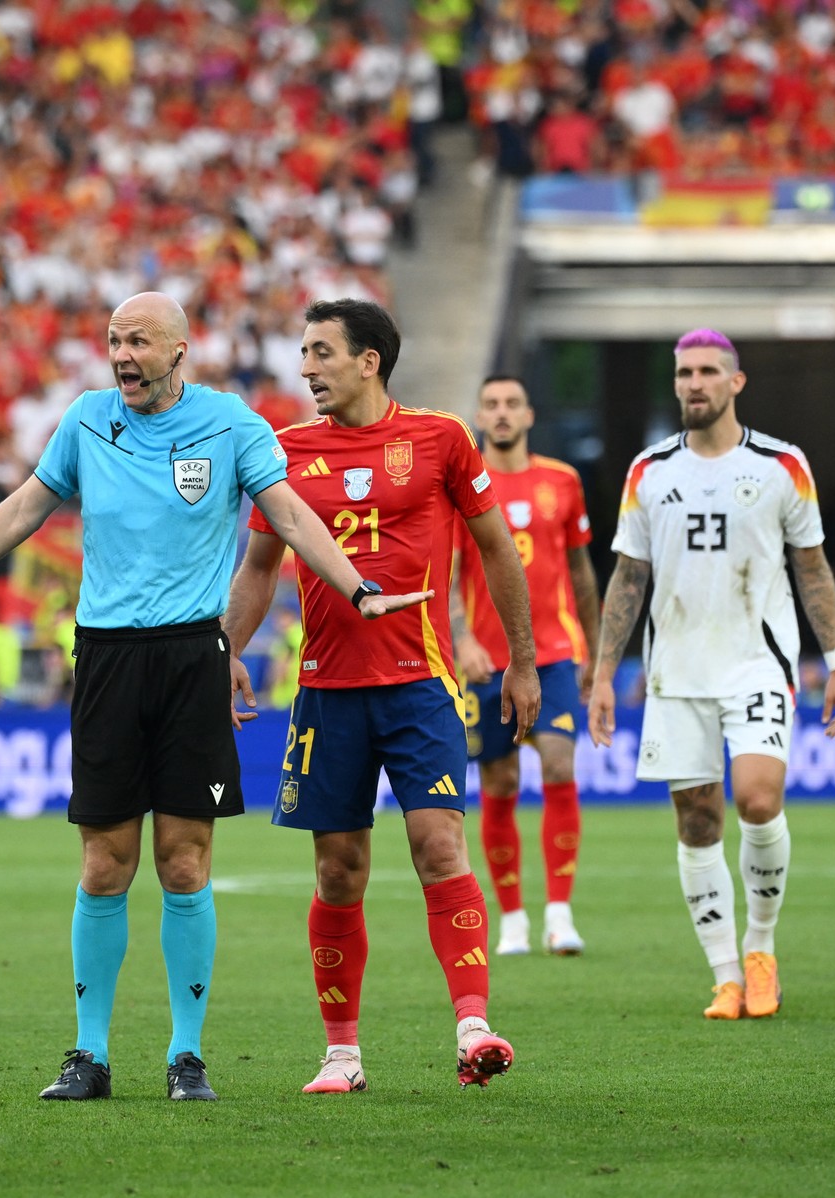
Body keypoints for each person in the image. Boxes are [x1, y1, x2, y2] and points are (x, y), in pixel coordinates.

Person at [0, 292, 424, 1103]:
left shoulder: (232, 425)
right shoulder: (86, 420)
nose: (122, 355)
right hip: (109, 659)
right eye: (114, 340)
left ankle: (186, 1057)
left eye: (139, 341)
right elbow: (23, 507)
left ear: (180, 351)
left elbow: (289, 517)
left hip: (193, 656)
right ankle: (88, 1056)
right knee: (104, 862)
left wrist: (357, 588)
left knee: (185, 863)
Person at [222, 299, 542, 1096]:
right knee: (339, 870)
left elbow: (498, 549)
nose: (306, 368)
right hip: (328, 693)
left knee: (438, 845)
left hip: (422, 687)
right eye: (303, 352)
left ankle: (473, 1026)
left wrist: (522, 662)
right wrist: (227, 649)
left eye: (321, 352)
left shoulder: (440, 440)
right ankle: (342, 1053)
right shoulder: (285, 452)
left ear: (369, 360)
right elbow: (260, 568)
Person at [588, 329, 835, 1020]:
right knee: (696, 818)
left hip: (757, 663)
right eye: (683, 373)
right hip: (676, 671)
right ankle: (726, 975)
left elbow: (813, 569)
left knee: (758, 800)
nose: (693, 384)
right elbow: (629, 576)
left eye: (707, 371)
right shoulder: (648, 470)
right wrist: (603, 672)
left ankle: (761, 950)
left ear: (736, 382)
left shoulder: (781, 464)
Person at [453, 376, 600, 957]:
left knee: (560, 766)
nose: (502, 413)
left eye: (513, 403)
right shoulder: (461, 482)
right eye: (491, 404)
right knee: (500, 780)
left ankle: (559, 915)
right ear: (480, 416)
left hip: (555, 654)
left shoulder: (562, 481)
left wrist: (593, 649)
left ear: (530, 413)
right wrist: (462, 639)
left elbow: (582, 572)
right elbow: (443, 575)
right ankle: (512, 918)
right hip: (487, 662)